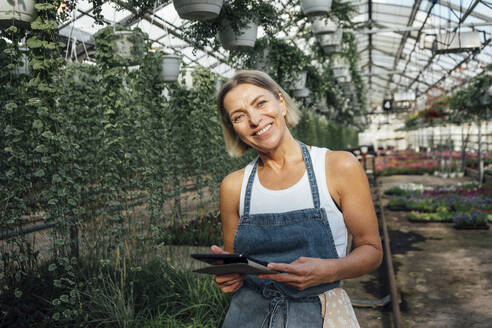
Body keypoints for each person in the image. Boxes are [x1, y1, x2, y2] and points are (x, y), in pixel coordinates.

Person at [211, 70, 382, 327]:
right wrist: (230, 275)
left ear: (280, 102)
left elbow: (372, 250)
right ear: (233, 128)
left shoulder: (338, 167)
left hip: (321, 315)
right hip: (247, 317)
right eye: (239, 116)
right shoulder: (234, 186)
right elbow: (236, 264)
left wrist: (330, 270)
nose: (255, 120)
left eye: (260, 103)